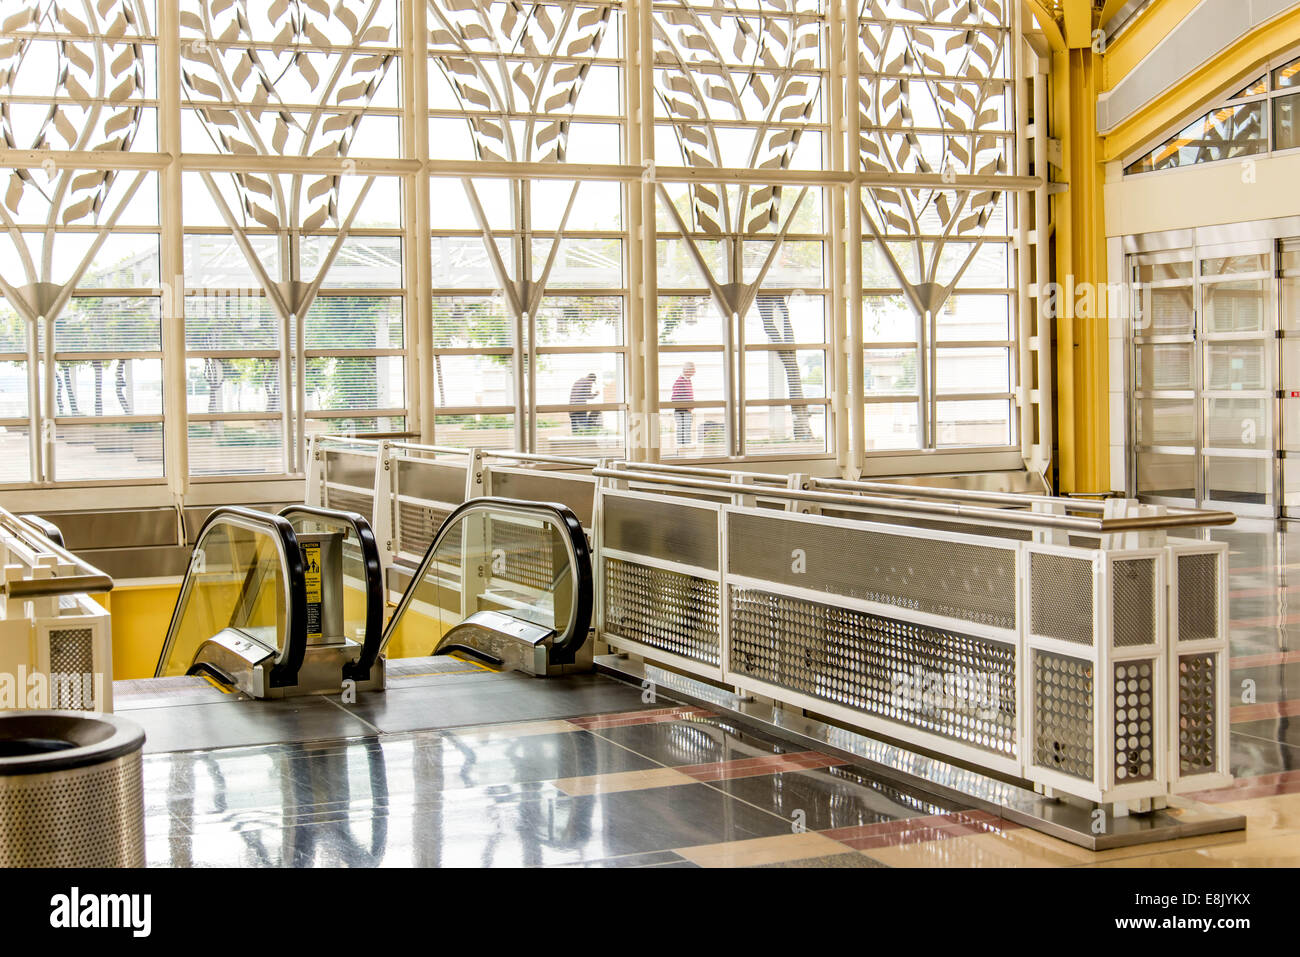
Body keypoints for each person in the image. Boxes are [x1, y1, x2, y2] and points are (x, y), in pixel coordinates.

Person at [671, 361, 696, 447]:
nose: (694, 372)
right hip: (681, 410)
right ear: (687, 370)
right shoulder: (680, 381)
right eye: (693, 370)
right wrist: (687, 406)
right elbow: (675, 398)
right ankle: (682, 448)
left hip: (686, 410)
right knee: (682, 430)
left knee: (687, 429)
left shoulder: (687, 380)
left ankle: (686, 447)